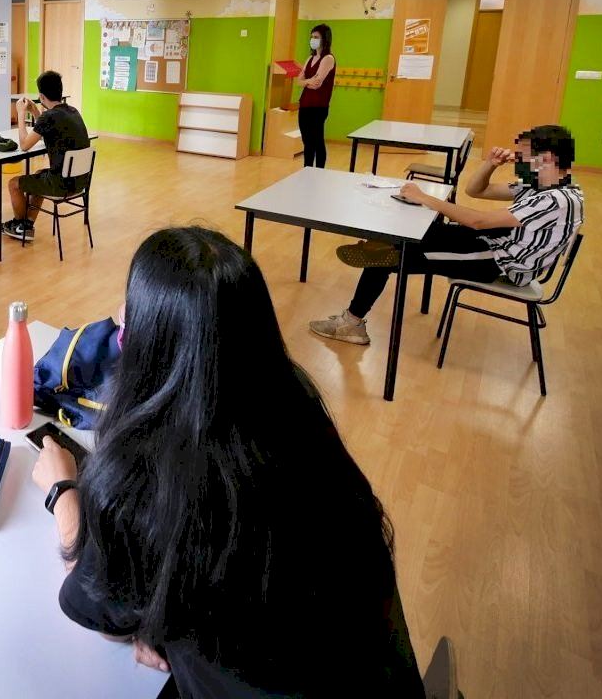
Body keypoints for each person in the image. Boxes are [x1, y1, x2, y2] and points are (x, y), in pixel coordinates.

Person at [31, 227, 425, 697]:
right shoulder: (295, 403)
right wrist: (160, 624)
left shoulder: (150, 476)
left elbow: (95, 605)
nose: (120, 316)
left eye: (130, 309)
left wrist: (62, 492)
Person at [310, 125, 584, 346]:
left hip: (499, 262)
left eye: (522, 157)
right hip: (495, 243)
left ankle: (352, 323)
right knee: (409, 234)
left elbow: (479, 221)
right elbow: (476, 191)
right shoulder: (546, 186)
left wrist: (425, 198)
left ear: (547, 159)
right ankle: (380, 248)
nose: (517, 162)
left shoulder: (556, 200)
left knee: (392, 255)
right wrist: (490, 164)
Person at [2, 70, 90, 242]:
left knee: (13, 184)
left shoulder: (49, 117)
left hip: (61, 184)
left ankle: (20, 226)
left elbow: (25, 145)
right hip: (80, 182)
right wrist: (36, 111)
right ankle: (26, 225)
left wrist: (21, 113)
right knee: (39, 175)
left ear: (41, 96)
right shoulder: (72, 111)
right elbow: (48, 129)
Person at [297, 23, 335, 168]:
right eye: (312, 37)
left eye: (316, 37)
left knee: (317, 140)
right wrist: (308, 81)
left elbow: (317, 84)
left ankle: (319, 170)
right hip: (305, 104)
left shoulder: (328, 58)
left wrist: (305, 82)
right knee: (307, 140)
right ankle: (307, 168)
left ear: (325, 39)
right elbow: (299, 81)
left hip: (318, 106)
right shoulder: (310, 58)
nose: (313, 39)